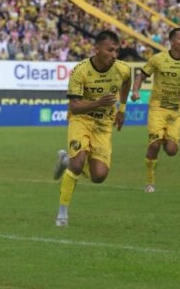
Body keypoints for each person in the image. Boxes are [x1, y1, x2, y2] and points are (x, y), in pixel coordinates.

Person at [52, 30, 131, 226]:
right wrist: (98, 102)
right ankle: (62, 213)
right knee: (78, 164)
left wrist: (122, 108)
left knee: (99, 176)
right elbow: (75, 107)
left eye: (116, 51)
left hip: (103, 126)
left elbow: (127, 82)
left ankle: (65, 159)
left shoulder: (122, 69)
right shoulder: (80, 71)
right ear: (96, 49)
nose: (114, 55)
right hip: (81, 120)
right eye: (109, 50)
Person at [131, 28, 180, 193]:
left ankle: (164, 136)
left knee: (171, 150)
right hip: (157, 108)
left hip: (176, 111)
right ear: (171, 41)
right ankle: (150, 182)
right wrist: (136, 91)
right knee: (155, 145)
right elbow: (140, 76)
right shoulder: (158, 59)